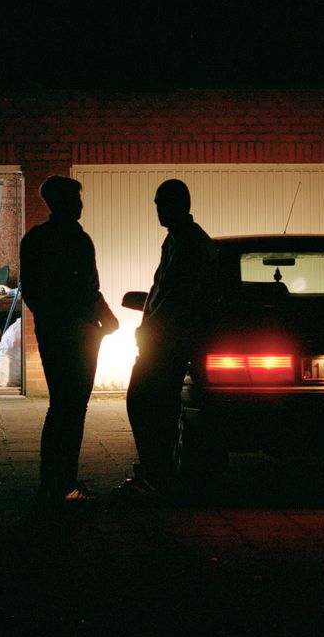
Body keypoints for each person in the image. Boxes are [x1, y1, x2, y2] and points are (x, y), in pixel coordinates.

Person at [118, 178, 218, 500]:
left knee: (146, 403)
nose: (158, 210)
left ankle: (156, 476)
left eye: (162, 203)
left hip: (168, 342)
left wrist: (151, 329)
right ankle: (155, 472)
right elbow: (163, 292)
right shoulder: (176, 239)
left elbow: (178, 298)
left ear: (180, 205)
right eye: (157, 203)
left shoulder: (189, 243)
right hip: (162, 339)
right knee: (150, 405)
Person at [19, 174, 113, 505]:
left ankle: (50, 480)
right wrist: (108, 320)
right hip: (82, 333)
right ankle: (67, 482)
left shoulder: (34, 240)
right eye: (77, 199)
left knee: (59, 404)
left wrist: (48, 318)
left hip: (50, 331)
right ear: (67, 203)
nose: (81, 205)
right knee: (75, 408)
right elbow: (90, 289)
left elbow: (29, 290)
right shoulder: (78, 239)